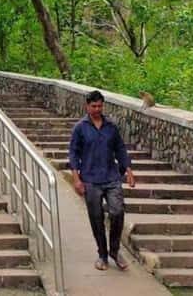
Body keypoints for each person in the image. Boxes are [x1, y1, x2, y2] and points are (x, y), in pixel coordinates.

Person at [69, 89, 136, 271]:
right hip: (90, 179)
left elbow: (120, 149)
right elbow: (73, 154)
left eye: (100, 106)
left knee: (117, 211)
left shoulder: (111, 127)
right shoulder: (80, 128)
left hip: (111, 177)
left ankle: (114, 250)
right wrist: (76, 179)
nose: (97, 109)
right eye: (94, 106)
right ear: (87, 106)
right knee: (96, 217)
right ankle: (102, 254)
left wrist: (128, 169)